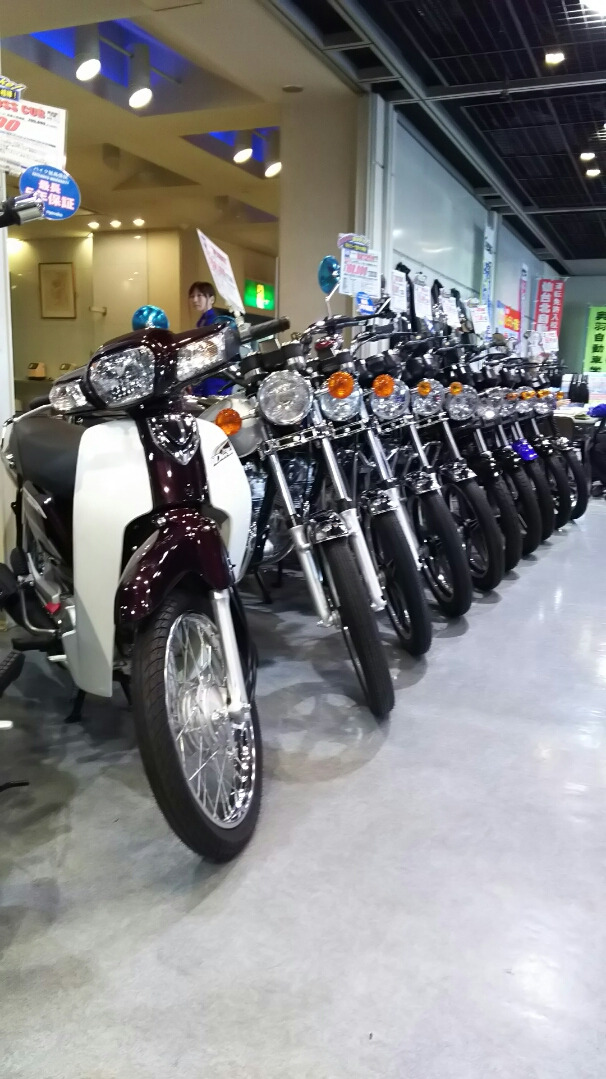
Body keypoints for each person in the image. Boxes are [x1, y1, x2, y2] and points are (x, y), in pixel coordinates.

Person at [188, 280, 231, 396]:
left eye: (199, 295)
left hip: (215, 379)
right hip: (205, 378)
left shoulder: (215, 322)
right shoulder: (202, 321)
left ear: (211, 299)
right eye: (192, 296)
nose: (195, 300)